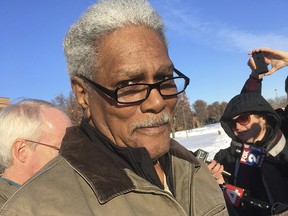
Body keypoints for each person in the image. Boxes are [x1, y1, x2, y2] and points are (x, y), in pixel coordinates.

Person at [0, 0, 228, 215]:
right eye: (129, 85)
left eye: (165, 78)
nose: (158, 102)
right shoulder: (36, 209)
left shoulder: (194, 169)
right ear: (83, 94)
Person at [214, 90, 288, 215]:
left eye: (244, 118)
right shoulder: (226, 159)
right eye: (232, 123)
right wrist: (220, 182)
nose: (237, 127)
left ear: (263, 118)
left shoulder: (284, 151)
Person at [0, 99, 72, 207]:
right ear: (22, 151)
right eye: (62, 149)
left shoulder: (43, 200)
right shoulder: (11, 210)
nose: (73, 157)